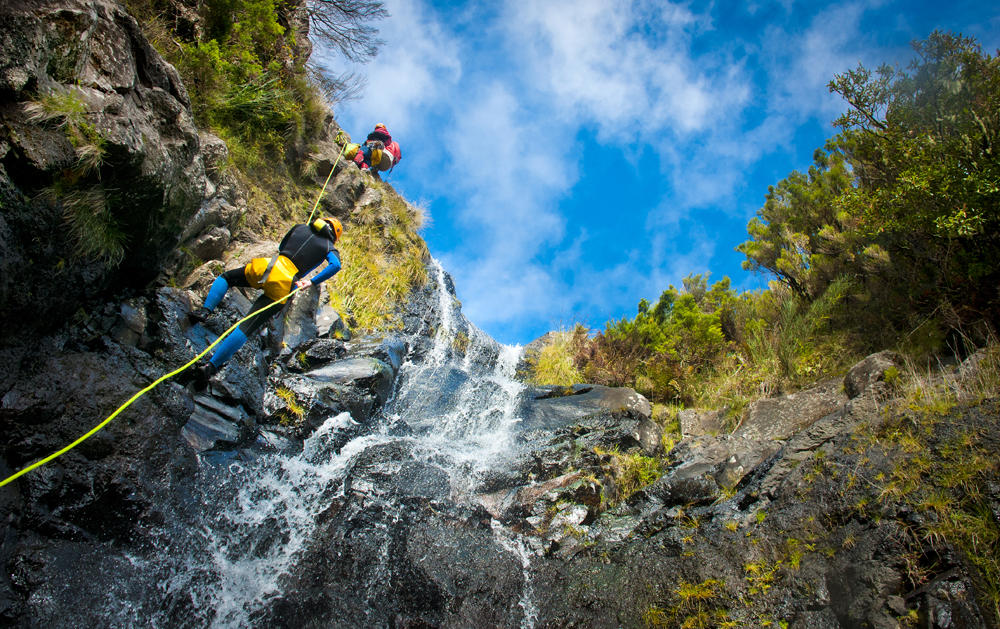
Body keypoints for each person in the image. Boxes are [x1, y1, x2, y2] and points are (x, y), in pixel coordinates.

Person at [187, 217, 343, 388]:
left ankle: (205, 310)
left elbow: (282, 247)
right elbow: (336, 265)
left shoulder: (300, 227)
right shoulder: (328, 246)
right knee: (246, 326)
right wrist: (311, 282)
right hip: (285, 284)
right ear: (334, 236)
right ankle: (210, 367)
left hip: (267, 267)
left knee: (227, 278)